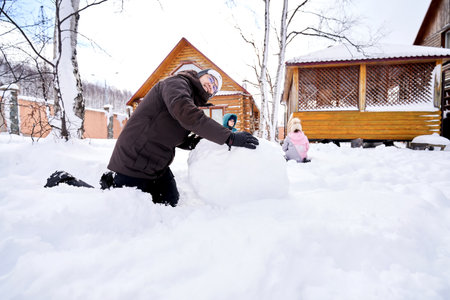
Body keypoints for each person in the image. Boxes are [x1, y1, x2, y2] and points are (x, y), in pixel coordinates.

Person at [102, 69, 259, 207]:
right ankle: (101, 187)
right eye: (211, 79)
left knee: (170, 202)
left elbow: (179, 135)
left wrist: (196, 142)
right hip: (134, 160)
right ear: (200, 75)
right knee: (126, 208)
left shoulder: (189, 99)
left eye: (215, 88)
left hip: (157, 166)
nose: (212, 86)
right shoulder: (176, 83)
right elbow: (186, 114)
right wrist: (228, 137)